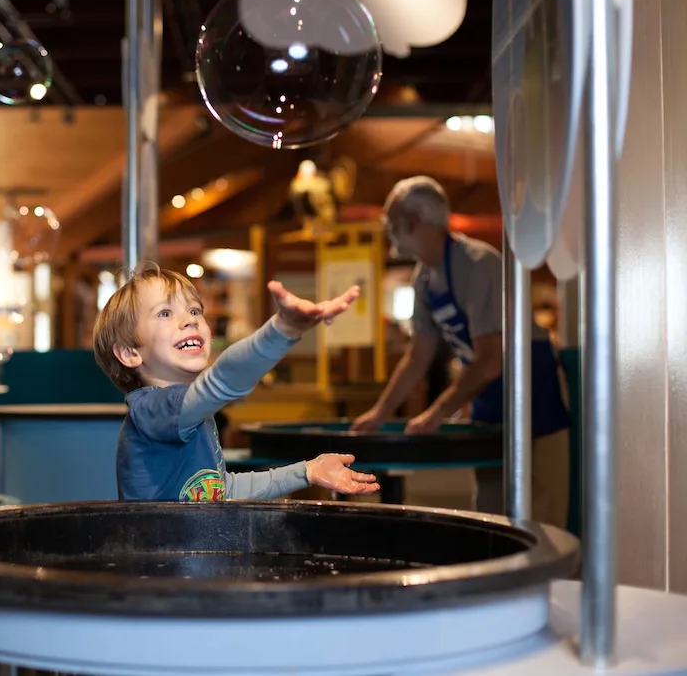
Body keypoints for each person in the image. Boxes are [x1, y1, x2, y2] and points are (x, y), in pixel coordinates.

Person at [351, 176, 571, 528]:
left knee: (544, 519)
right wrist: (380, 412)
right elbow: (418, 354)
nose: (388, 232)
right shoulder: (424, 278)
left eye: (390, 223)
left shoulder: (478, 264)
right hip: (489, 398)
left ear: (412, 223)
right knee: (493, 515)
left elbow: (490, 360)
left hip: (533, 390)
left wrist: (436, 414)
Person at [93, 263, 380, 502]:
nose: (189, 320)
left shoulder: (195, 418)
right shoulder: (152, 410)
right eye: (165, 313)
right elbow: (221, 380)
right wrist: (283, 330)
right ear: (130, 352)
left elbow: (220, 491)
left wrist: (308, 471)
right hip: (161, 568)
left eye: (194, 311)